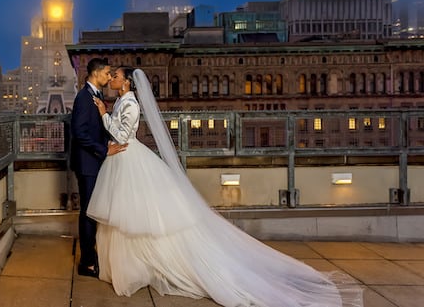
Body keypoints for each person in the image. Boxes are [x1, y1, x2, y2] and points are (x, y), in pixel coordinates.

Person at [87, 67, 363, 307]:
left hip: (127, 156)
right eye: (111, 76)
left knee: (133, 217)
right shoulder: (123, 101)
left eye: (116, 76)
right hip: (122, 157)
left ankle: (137, 268)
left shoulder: (130, 103)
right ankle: (133, 267)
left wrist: (103, 115)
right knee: (127, 217)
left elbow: (122, 133)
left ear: (126, 83)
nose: (111, 79)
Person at [70, 58, 127, 278]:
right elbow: (80, 133)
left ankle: (91, 258)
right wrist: (104, 150)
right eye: (106, 73)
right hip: (87, 165)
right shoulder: (84, 98)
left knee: (93, 212)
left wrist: (106, 143)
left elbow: (94, 129)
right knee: (88, 213)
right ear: (95, 73)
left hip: (93, 162)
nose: (109, 77)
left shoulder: (96, 95)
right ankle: (86, 263)